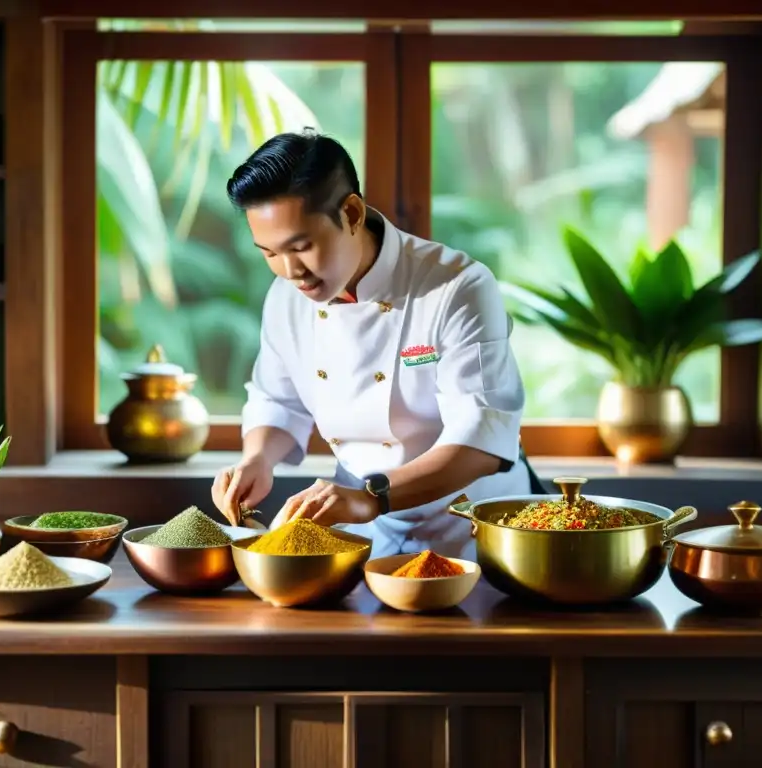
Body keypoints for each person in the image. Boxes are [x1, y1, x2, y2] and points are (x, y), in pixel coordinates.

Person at [210, 130, 542, 560]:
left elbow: (481, 439)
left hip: (472, 531)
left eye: (302, 246)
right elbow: (278, 399)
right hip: (360, 530)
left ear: (351, 212)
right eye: (269, 252)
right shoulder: (285, 298)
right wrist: (257, 459)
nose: (291, 271)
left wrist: (371, 497)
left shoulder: (455, 286)